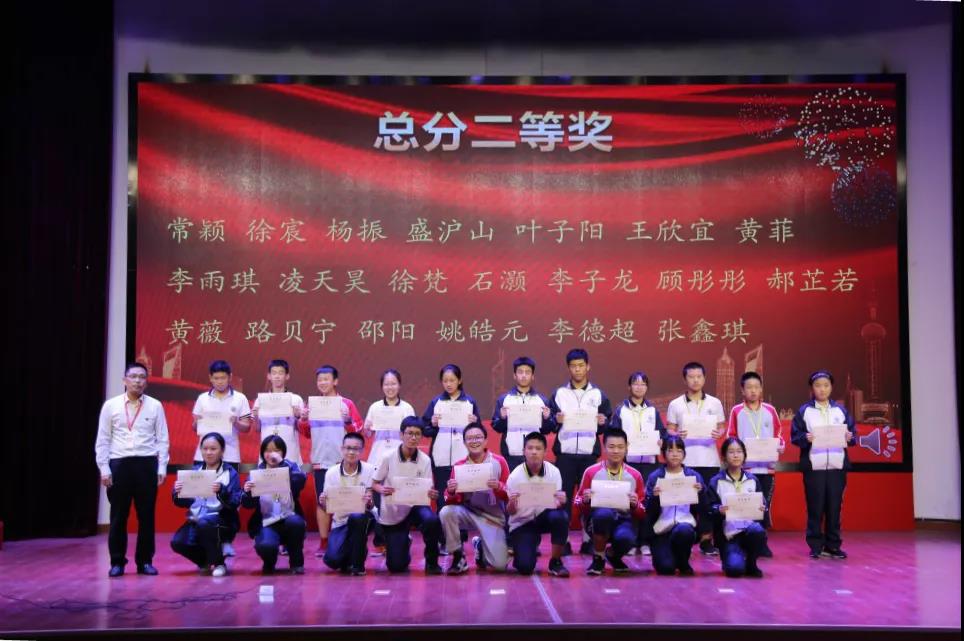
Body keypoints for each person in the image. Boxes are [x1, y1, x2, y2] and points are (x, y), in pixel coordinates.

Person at [95, 362, 169, 578]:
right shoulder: (111, 406)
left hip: (146, 464)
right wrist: (104, 468)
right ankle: (117, 562)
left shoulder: (155, 405)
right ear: (124, 380)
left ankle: (145, 561)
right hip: (119, 464)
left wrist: (162, 466)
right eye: (133, 376)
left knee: (146, 516)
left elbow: (162, 438)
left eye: (142, 377)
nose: (138, 381)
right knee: (119, 515)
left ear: (147, 382)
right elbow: (103, 439)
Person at [548, 348, 612, 555]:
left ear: (588, 367)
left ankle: (588, 540)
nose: (577, 369)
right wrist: (555, 420)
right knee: (564, 498)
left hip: (588, 454)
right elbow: (549, 423)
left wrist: (603, 422)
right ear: (568, 368)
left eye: (581, 365)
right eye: (573, 366)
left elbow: (606, 424)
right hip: (565, 454)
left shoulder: (598, 395)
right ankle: (564, 541)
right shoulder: (559, 394)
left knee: (589, 498)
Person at [791, 370, 857, 559]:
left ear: (831, 388)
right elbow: (795, 436)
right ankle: (815, 545)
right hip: (814, 467)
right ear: (812, 388)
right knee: (815, 507)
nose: (822, 389)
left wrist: (850, 437)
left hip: (837, 466)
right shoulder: (805, 411)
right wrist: (805, 437)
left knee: (834, 507)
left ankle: (833, 545)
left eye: (826, 385)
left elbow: (853, 434)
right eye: (818, 385)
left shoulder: (840, 410)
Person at [190, 359, 251, 558]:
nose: (220, 381)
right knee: (201, 497)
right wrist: (198, 422)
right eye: (216, 378)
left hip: (230, 455)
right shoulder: (202, 399)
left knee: (228, 500)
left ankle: (226, 541)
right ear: (210, 378)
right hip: (203, 455)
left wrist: (236, 422)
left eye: (223, 378)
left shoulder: (240, 398)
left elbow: (247, 427)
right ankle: (201, 539)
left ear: (230, 377)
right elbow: (194, 426)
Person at [301, 365, 363, 557]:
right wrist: (303, 419)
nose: (323, 383)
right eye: (319, 380)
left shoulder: (346, 404)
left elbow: (358, 431)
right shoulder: (312, 405)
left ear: (335, 381)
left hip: (343, 461)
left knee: (346, 499)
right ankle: (324, 541)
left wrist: (347, 421)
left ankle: (347, 538)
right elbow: (305, 432)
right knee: (323, 501)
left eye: (326, 379)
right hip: (320, 459)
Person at [665, 361, 725, 556]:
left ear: (704, 378)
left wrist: (718, 433)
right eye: (691, 377)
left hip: (709, 460)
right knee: (685, 502)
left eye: (699, 376)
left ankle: (706, 541)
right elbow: (670, 430)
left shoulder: (715, 403)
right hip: (685, 461)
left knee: (706, 503)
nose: (695, 380)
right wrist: (677, 435)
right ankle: (686, 539)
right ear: (685, 379)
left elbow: (722, 427)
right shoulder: (676, 404)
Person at [370, 417, 443, 575]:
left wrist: (431, 493)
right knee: (396, 567)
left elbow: (427, 488)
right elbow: (374, 483)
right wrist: (382, 489)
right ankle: (404, 541)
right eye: (409, 433)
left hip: (416, 506)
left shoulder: (425, 460)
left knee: (432, 520)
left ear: (421, 436)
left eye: (417, 434)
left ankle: (432, 563)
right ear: (401, 435)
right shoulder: (387, 457)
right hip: (394, 510)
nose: (413, 437)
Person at [421, 364, 482, 551]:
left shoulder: (469, 402)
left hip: (463, 457)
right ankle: (444, 539)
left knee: (461, 497)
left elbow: (479, 432)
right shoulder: (436, 402)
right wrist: (432, 424)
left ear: (459, 380)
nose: (448, 384)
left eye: (452, 380)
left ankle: (460, 539)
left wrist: (475, 423)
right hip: (440, 456)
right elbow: (425, 429)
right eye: (445, 380)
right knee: (442, 497)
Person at [725, 371, 784, 556]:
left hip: (767, 468)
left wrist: (780, 445)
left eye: (756, 387)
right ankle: (742, 542)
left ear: (761, 389)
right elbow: (731, 436)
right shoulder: (737, 411)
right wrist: (737, 453)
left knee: (763, 505)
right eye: (749, 387)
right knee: (744, 506)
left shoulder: (770, 410)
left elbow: (778, 433)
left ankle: (761, 542)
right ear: (742, 390)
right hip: (745, 469)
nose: (753, 391)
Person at [609, 371, 667, 556]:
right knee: (629, 502)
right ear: (629, 387)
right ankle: (632, 541)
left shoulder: (652, 411)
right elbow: (613, 434)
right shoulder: (621, 410)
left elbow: (662, 433)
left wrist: (662, 441)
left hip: (650, 462)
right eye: (636, 384)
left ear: (647, 387)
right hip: (629, 463)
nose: (639, 387)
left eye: (643, 384)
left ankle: (645, 541)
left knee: (648, 502)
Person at [573, 428, 645, 575]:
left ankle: (612, 555)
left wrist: (635, 504)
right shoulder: (591, 472)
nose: (616, 451)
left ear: (626, 447)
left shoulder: (635, 475)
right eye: (611, 447)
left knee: (627, 538)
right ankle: (598, 558)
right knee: (603, 514)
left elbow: (643, 511)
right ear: (604, 447)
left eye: (620, 447)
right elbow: (577, 503)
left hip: (623, 519)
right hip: (597, 520)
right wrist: (585, 501)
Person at [440, 424, 511, 574]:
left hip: (492, 518)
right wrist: (451, 491)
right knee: (446, 512)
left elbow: (510, 494)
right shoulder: (459, 466)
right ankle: (458, 557)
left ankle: (480, 546)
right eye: (470, 438)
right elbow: (451, 499)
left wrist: (499, 487)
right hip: (469, 513)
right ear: (464, 442)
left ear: (485, 440)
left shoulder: (499, 461)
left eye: (478, 437)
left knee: (499, 566)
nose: (474, 441)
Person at [170, 432, 242, 577]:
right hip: (197, 519)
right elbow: (183, 502)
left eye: (213, 449)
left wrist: (222, 491)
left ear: (222, 451)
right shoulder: (194, 472)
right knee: (177, 542)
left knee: (205, 524)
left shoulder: (230, 472)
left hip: (223, 521)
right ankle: (205, 562)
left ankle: (219, 563)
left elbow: (235, 502)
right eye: (205, 448)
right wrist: (177, 492)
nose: (208, 452)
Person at [363, 369, 416, 555]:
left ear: (399, 385)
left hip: (399, 458)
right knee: (379, 501)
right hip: (378, 457)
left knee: (399, 501)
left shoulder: (407, 408)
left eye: (393, 383)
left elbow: (413, 434)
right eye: (386, 384)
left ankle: (402, 537)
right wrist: (367, 428)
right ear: (382, 386)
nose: (390, 387)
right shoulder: (375, 407)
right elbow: (367, 434)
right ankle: (381, 542)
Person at [505, 432, 570, 577]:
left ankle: (556, 561)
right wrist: (512, 504)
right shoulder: (515, 476)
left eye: (538, 448)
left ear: (545, 452)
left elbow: (556, 504)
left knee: (561, 516)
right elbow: (510, 512)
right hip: (522, 522)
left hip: (543, 517)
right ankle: (525, 545)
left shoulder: (554, 472)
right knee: (525, 567)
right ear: (524, 451)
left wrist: (561, 501)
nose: (534, 452)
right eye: (530, 448)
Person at [242, 435, 307, 574]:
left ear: (283, 452)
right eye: (267, 450)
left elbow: (300, 481)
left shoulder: (291, 467)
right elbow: (247, 505)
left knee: (296, 523)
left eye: (276, 450)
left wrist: (282, 463)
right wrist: (247, 493)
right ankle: (269, 562)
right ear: (262, 453)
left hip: (289, 517)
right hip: (266, 521)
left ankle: (296, 563)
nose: (272, 454)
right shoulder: (256, 473)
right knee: (266, 546)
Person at [644, 436, 706, 576]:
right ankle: (667, 556)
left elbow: (704, 508)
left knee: (684, 531)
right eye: (670, 450)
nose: (675, 454)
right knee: (666, 569)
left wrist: (701, 493)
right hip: (661, 529)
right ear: (663, 453)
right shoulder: (655, 477)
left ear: (684, 453)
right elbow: (647, 509)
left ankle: (683, 561)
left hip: (685, 525)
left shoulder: (693, 476)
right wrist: (654, 497)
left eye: (679, 450)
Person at [707, 437, 768, 577]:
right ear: (724, 456)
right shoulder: (716, 481)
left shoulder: (753, 480)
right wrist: (718, 509)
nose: (736, 455)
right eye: (731, 452)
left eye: (739, 451)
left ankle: (751, 562)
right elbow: (709, 508)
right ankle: (730, 558)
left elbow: (763, 505)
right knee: (734, 570)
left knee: (758, 530)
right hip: (729, 535)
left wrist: (762, 508)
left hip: (749, 530)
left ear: (744, 455)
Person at [319, 433, 375, 576]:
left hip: (363, 517)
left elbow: (371, 504)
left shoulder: (369, 469)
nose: (351, 452)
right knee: (332, 560)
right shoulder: (331, 473)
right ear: (342, 449)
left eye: (356, 449)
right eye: (348, 448)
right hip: (340, 521)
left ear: (362, 451)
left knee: (357, 518)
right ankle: (355, 550)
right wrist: (324, 503)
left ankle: (358, 565)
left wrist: (369, 501)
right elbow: (328, 508)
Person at [491, 356, 554, 471]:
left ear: (533, 376)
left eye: (527, 372)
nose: (524, 375)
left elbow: (547, 430)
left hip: (534, 454)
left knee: (534, 482)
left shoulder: (542, 400)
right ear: (514, 375)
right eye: (520, 372)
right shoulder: (504, 399)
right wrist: (502, 418)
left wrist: (547, 419)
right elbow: (497, 427)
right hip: (511, 455)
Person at [252, 359, 305, 466]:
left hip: (290, 451)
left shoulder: (296, 399)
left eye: (281, 373)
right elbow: (257, 429)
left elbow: (301, 429)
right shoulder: (260, 400)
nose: (277, 376)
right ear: (269, 376)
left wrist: (298, 417)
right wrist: (256, 417)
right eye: (274, 373)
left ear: (287, 376)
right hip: (267, 451)